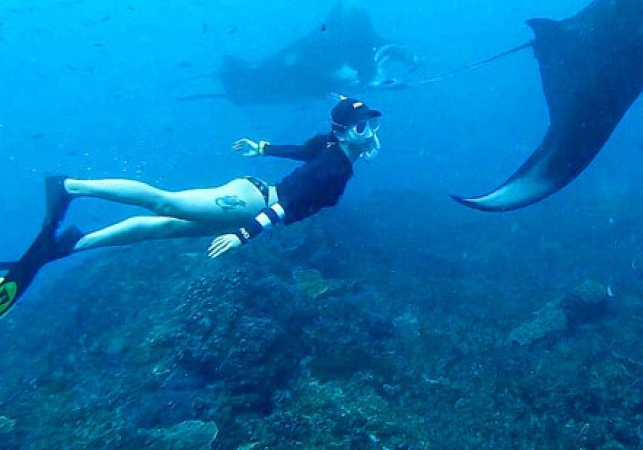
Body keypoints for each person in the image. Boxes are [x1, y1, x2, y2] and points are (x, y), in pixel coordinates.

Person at [0, 97, 382, 319]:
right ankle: (69, 186)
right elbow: (291, 203)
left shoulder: (333, 149)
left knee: (160, 227)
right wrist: (242, 235)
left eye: (373, 126)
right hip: (249, 205)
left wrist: (262, 147)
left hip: (250, 199)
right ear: (343, 131)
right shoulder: (335, 167)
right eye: (362, 127)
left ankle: (69, 246)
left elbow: (305, 151)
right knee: (164, 201)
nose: (371, 134)